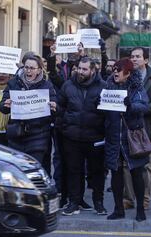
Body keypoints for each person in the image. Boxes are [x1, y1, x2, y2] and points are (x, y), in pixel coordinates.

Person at [58, 57, 107, 216]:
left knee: (97, 172)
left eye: (84, 69)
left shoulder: (103, 87)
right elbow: (60, 106)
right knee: (74, 171)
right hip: (72, 137)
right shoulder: (68, 85)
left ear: (92, 70)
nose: (80, 71)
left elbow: (108, 112)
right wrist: (64, 120)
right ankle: (74, 202)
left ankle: (98, 203)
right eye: (79, 68)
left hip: (95, 137)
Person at [104, 58, 149, 222]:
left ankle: (140, 210)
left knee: (137, 174)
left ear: (128, 73)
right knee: (115, 175)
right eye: (114, 69)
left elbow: (145, 106)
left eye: (119, 70)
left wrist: (131, 105)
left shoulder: (137, 88)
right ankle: (118, 209)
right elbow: (103, 108)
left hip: (132, 138)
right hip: (114, 138)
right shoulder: (108, 86)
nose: (115, 72)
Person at [0, 55, 57, 169]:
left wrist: (54, 107)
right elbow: (2, 106)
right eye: (26, 67)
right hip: (16, 135)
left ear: (39, 70)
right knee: (16, 170)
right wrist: (5, 105)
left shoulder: (46, 85)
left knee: (32, 169)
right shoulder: (13, 83)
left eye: (32, 68)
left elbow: (55, 106)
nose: (28, 71)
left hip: (38, 135)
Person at [124, 47, 151, 210]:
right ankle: (128, 198)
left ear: (146, 60)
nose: (134, 59)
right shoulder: (125, 76)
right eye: (132, 56)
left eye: (138, 57)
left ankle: (145, 199)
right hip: (129, 128)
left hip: (148, 127)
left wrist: (141, 108)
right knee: (127, 165)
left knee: (147, 166)